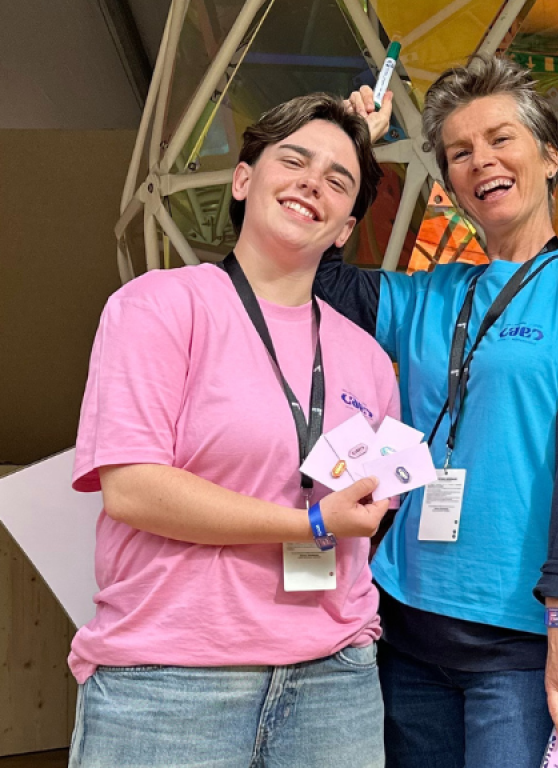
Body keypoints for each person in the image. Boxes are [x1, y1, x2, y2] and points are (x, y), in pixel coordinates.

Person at [315, 57, 558, 768]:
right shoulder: (429, 293)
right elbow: (315, 276)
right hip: (404, 626)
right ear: (451, 188)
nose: (482, 161)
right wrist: (350, 143)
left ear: (550, 156)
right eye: (460, 153)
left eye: (502, 139)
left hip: (520, 641)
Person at [69, 94, 399, 767]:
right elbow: (133, 489)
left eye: (338, 180)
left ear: (345, 229)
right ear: (244, 179)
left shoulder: (367, 357)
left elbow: (373, 501)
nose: (313, 182)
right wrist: (311, 523)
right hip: (169, 679)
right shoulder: (160, 305)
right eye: (294, 161)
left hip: (335, 678)